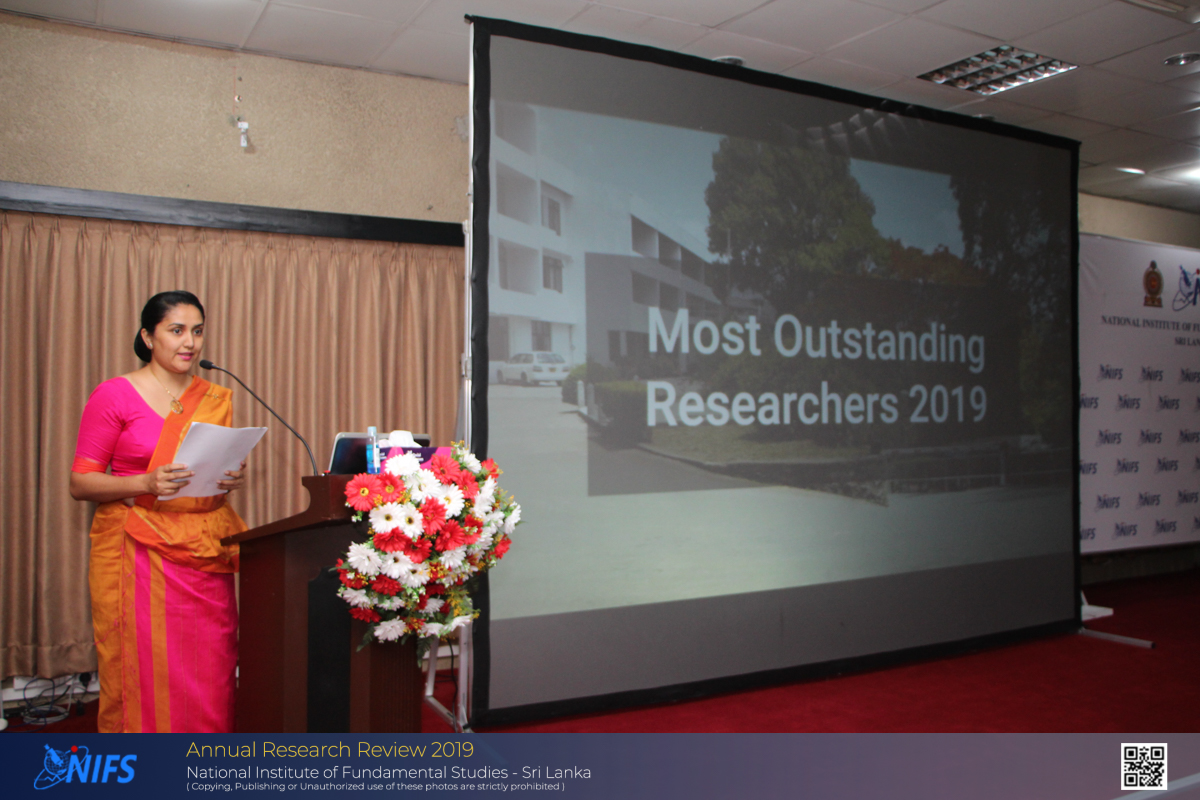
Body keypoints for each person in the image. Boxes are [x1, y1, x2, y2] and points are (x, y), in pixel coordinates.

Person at [70, 291, 247, 733]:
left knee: (210, 669)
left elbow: (203, 469)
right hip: (138, 551)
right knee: (147, 671)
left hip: (205, 550)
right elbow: (81, 482)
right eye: (177, 330)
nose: (190, 342)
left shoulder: (214, 396)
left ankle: (202, 762)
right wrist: (145, 483)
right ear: (148, 337)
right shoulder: (115, 395)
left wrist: (226, 477)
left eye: (197, 331)